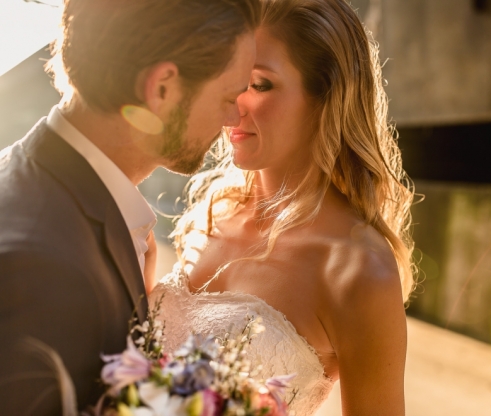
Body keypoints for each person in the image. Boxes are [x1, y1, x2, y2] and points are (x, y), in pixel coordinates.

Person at [150, 0, 417, 414]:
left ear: (326, 95)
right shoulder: (211, 213)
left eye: (258, 85)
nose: (233, 103)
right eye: (230, 79)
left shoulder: (356, 268)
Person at [0, 0, 259, 414]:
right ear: (162, 89)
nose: (232, 118)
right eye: (229, 95)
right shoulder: (42, 267)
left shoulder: (37, 182)